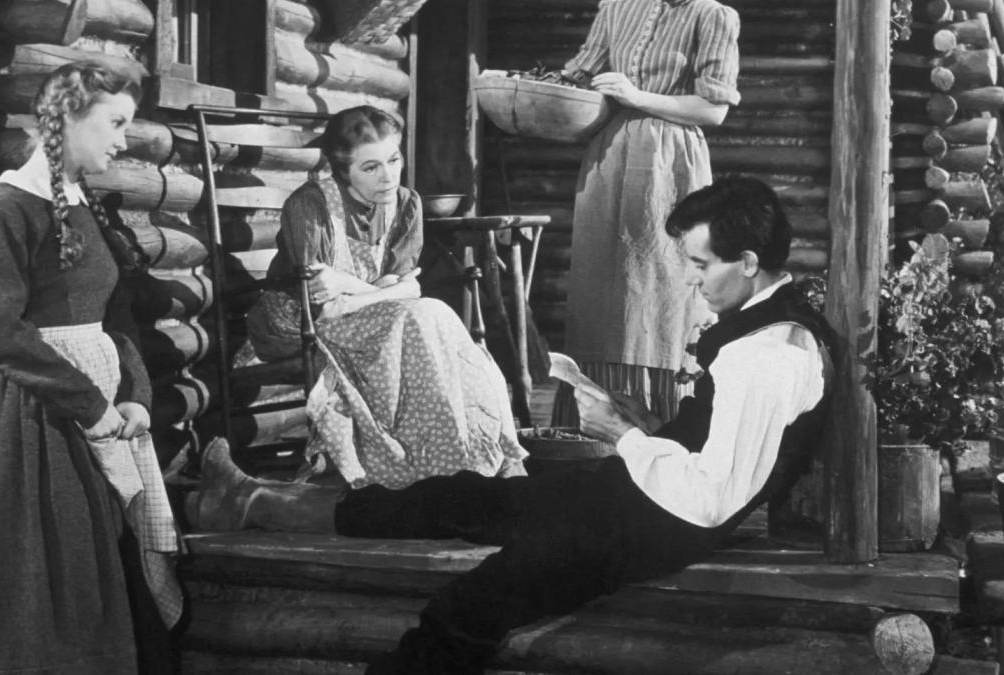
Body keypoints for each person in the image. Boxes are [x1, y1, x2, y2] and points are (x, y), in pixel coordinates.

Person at [192, 177, 836, 674]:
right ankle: (254, 501)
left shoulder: (769, 357)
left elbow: (711, 499)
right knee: (463, 497)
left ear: (748, 262)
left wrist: (623, 433)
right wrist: (638, 427)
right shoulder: (767, 324)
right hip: (642, 498)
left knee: (470, 607)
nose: (693, 281)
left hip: (657, 528)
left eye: (701, 266)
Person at [0, 62, 181, 674]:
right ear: (68, 119)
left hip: (107, 405)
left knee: (111, 558)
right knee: (59, 564)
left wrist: (133, 394)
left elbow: (118, 316)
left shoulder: (86, 206)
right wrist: (92, 408)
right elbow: (3, 335)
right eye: (115, 123)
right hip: (42, 415)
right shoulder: (2, 210)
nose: (123, 140)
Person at [242, 105, 525, 493]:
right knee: (415, 314)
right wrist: (394, 290)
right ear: (343, 171)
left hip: (361, 313)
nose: (388, 176)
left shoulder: (406, 204)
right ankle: (422, 462)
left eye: (393, 160)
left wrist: (356, 291)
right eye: (370, 167)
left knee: (431, 313)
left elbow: (400, 287)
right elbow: (319, 291)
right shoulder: (310, 205)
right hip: (297, 318)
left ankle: (467, 455)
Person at [553, 0, 742, 425]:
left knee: (664, 285)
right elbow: (577, 76)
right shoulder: (618, 6)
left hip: (671, 163)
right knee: (604, 292)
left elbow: (714, 109)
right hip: (611, 156)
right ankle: (590, 427)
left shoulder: (711, 15)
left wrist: (638, 97)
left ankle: (662, 425)